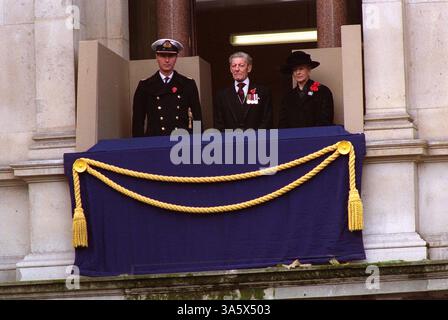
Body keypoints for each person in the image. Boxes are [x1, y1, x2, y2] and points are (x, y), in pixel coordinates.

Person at [132, 38, 202, 137]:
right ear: (157, 57)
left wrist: (197, 142)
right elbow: (138, 122)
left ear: (176, 57)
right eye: (163, 55)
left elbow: (197, 118)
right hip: (155, 142)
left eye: (171, 55)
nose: (167, 60)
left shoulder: (188, 84)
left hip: (181, 142)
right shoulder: (145, 86)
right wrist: (138, 146)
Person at [214, 52, 273, 130]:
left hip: (257, 140)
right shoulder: (222, 95)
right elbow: (218, 123)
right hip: (231, 140)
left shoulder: (263, 92)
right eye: (234, 66)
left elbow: (267, 120)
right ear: (230, 69)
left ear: (249, 68)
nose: (237, 69)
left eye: (241, 65)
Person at [279, 51, 334, 128]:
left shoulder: (323, 91)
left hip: (316, 136)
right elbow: (283, 123)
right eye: (295, 70)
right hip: (294, 138)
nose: (298, 72)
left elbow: (326, 120)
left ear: (309, 70)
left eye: (301, 69)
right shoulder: (287, 97)